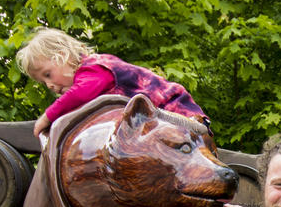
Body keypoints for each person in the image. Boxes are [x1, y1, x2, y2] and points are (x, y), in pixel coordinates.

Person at [15, 28, 210, 138]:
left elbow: (78, 94)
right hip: (154, 124)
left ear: (62, 56)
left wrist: (47, 117)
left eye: (47, 74)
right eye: (42, 81)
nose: (48, 85)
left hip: (180, 115)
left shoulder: (94, 69)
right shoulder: (91, 78)